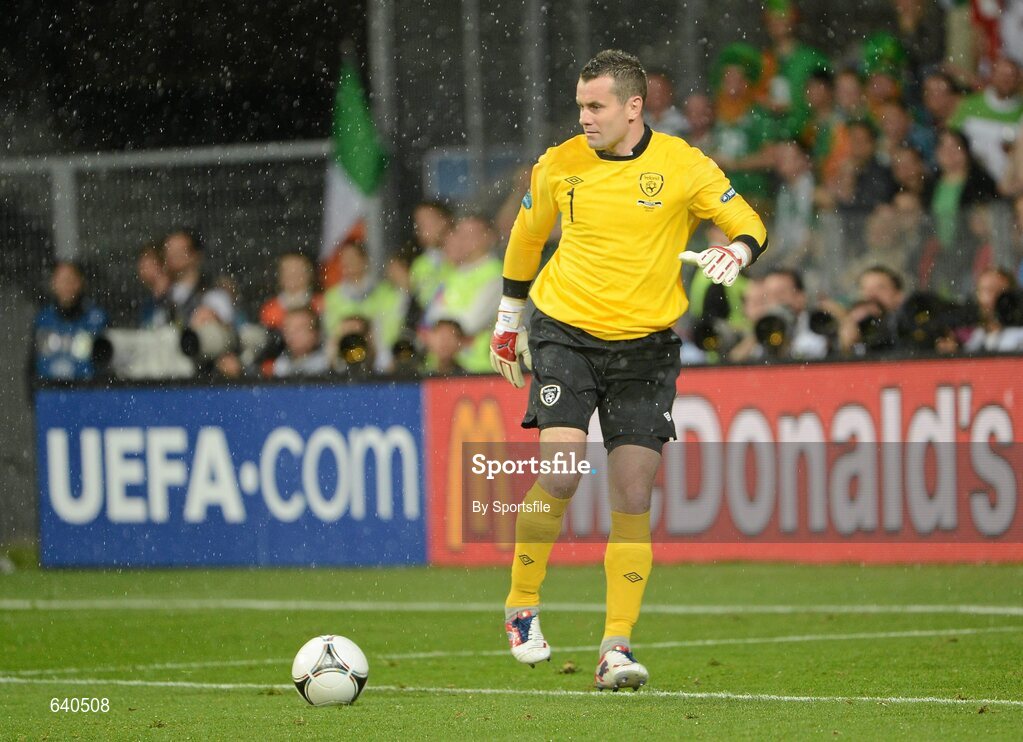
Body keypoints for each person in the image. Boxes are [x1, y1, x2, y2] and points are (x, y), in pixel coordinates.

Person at [489, 49, 768, 691]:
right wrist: (509, 319)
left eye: (596, 106)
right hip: (565, 331)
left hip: (644, 345)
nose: (583, 117)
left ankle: (616, 647)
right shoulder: (560, 164)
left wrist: (739, 251)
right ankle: (521, 604)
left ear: (633, 106)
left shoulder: (681, 164)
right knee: (559, 475)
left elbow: (748, 221)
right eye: (580, 105)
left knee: (634, 495)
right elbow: (527, 239)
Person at [32, 261, 108, 381]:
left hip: (87, 391)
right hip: (49, 392)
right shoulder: (43, 319)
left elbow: (108, 364)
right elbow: (32, 363)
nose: (66, 286)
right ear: (53, 284)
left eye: (70, 280)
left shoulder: (97, 318)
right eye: (61, 280)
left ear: (79, 282)